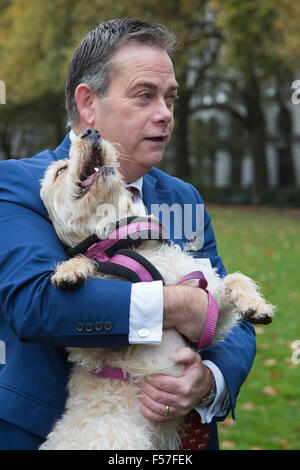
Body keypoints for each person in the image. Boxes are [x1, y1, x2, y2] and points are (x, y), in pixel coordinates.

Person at [0, 18, 256, 450]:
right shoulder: (19, 184)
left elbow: (237, 320)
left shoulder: (184, 197)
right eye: (145, 96)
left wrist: (208, 381)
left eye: (170, 98)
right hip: (57, 433)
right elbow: (36, 303)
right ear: (88, 105)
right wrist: (176, 304)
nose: (165, 113)